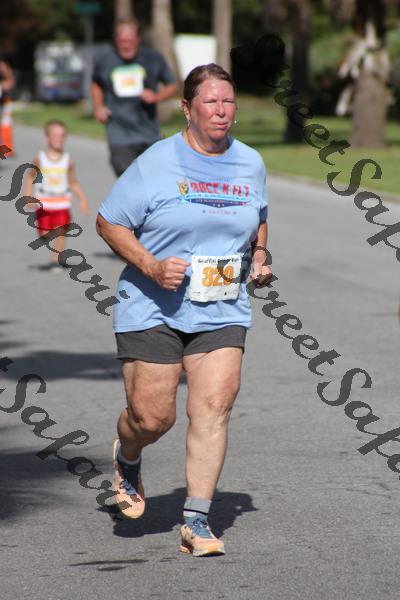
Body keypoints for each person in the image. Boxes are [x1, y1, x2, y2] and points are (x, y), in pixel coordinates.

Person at [96, 63, 272, 557]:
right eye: (210, 102)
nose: (221, 111)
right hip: (153, 305)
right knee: (153, 418)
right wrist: (151, 266)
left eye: (228, 101)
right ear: (187, 108)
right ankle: (129, 452)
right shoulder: (157, 161)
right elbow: (109, 222)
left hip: (222, 306)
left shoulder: (250, 162)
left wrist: (260, 257)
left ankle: (196, 520)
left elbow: (258, 217)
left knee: (213, 408)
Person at [91, 17, 178, 177]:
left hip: (149, 133)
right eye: (122, 41)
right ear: (116, 40)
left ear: (138, 39)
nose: (126, 45)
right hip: (119, 134)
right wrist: (98, 107)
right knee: (127, 178)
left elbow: (172, 84)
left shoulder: (152, 58)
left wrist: (156, 97)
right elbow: (96, 83)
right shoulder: (105, 59)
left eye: (130, 40)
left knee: (153, 179)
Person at [24, 119, 89, 272]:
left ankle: (56, 260)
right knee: (45, 234)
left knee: (61, 231)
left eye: (62, 135)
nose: (59, 138)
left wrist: (82, 199)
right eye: (55, 135)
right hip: (44, 203)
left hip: (62, 202)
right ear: (47, 138)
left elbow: (73, 182)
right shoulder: (40, 158)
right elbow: (30, 176)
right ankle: (46, 237)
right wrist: (28, 196)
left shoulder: (68, 160)